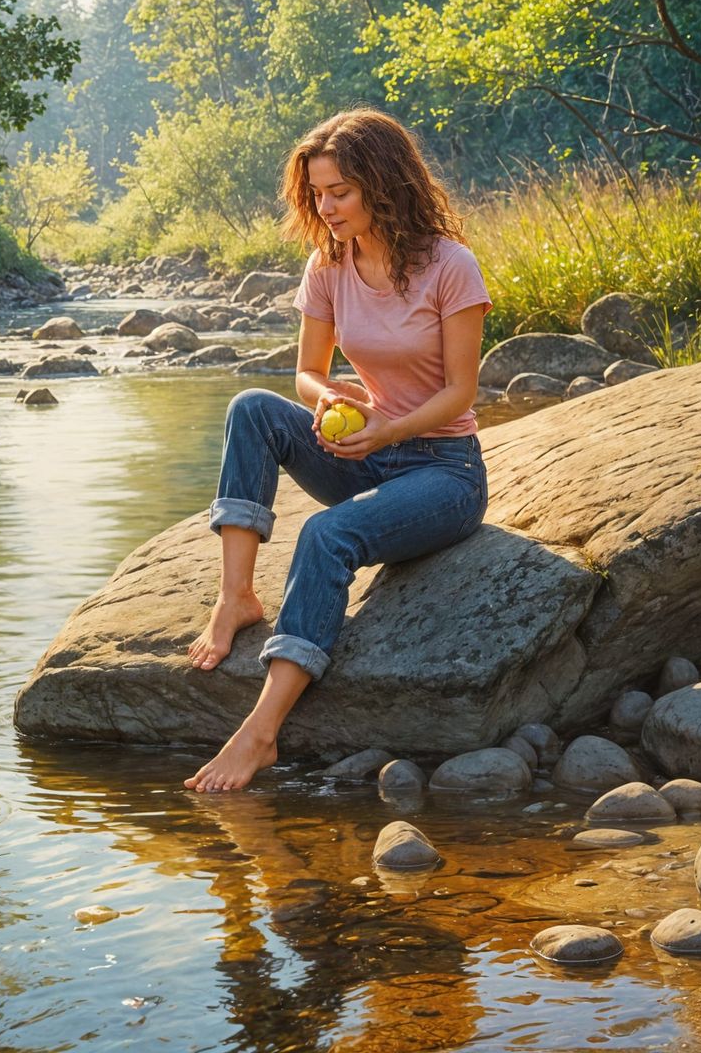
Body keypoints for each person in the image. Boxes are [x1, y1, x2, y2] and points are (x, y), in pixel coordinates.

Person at [183, 108, 492, 792]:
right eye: (317, 193)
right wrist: (327, 397)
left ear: (383, 184)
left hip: (444, 472)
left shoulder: (450, 266)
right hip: (368, 456)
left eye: (340, 192)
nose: (325, 208)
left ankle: (261, 733)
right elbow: (306, 372)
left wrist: (390, 429)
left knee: (325, 534)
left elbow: (462, 392)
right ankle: (236, 597)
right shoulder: (328, 263)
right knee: (253, 408)